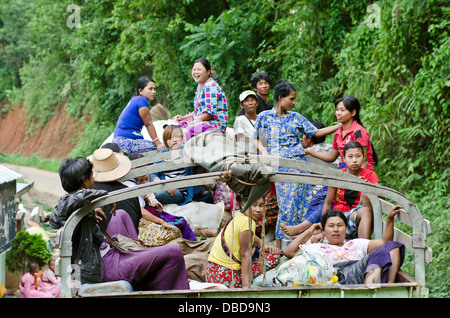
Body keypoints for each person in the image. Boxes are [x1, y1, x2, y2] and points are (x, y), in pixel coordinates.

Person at [49, 155, 190, 291]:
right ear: (85, 182)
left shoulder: (79, 203)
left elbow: (76, 201)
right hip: (103, 266)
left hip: (105, 252)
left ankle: (140, 260)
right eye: (91, 176)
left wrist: (92, 209)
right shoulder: (70, 202)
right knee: (174, 252)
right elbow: (61, 212)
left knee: (121, 214)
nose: (94, 178)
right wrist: (103, 197)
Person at [252, 80, 341, 249]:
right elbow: (255, 137)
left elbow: (315, 132)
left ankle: (299, 247)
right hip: (280, 167)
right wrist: (265, 152)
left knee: (303, 204)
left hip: (300, 166)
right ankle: (279, 248)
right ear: (280, 97)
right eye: (291, 99)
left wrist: (338, 126)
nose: (294, 102)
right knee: (286, 206)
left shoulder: (296, 117)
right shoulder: (265, 117)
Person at [283, 206, 405, 285]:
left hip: (359, 270)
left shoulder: (355, 243)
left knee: (393, 246)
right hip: (339, 275)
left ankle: (389, 285)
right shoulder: (317, 247)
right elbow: (289, 252)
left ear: (346, 229)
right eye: (331, 226)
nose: (336, 229)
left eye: (340, 225)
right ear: (323, 231)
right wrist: (309, 231)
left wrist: (389, 220)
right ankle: (370, 292)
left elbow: (385, 243)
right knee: (381, 252)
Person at [205, 196, 281, 288]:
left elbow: (250, 235)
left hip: (211, 272)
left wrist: (262, 244)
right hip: (226, 277)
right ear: (242, 204)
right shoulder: (247, 222)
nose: (258, 210)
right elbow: (245, 255)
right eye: (254, 205)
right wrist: (246, 286)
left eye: (261, 206)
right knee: (275, 256)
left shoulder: (238, 217)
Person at [281, 120, 340, 237]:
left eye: (304, 135)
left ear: (308, 138)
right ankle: (304, 230)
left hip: (318, 189)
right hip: (333, 184)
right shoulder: (330, 149)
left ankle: (303, 230)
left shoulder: (307, 153)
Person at [320, 141, 379, 240]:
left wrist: (368, 185)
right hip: (339, 218)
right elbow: (328, 203)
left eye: (358, 156)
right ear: (344, 159)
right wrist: (323, 226)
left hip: (357, 217)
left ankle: (364, 246)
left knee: (366, 195)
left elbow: (382, 195)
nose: (354, 160)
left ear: (363, 158)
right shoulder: (337, 175)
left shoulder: (369, 175)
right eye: (350, 156)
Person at [305, 96, 376, 170]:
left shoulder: (359, 132)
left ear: (353, 112)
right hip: (345, 169)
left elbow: (363, 161)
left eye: (342, 110)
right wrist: (309, 152)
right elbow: (331, 157)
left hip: (360, 171)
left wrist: (361, 180)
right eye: (337, 109)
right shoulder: (338, 133)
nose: (338, 113)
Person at [175, 58, 228, 140]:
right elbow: (198, 111)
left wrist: (194, 122)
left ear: (208, 71)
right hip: (203, 121)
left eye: (199, 69)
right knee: (177, 123)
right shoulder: (200, 86)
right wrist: (183, 117)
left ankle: (184, 149)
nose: (196, 72)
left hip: (214, 123)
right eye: (194, 69)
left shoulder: (210, 86)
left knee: (187, 130)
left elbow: (209, 113)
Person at [113, 76, 166, 155]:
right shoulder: (142, 100)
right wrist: (158, 143)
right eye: (150, 89)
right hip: (126, 141)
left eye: (154, 89)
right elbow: (148, 124)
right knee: (165, 147)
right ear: (140, 91)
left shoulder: (135, 99)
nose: (154, 91)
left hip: (118, 141)